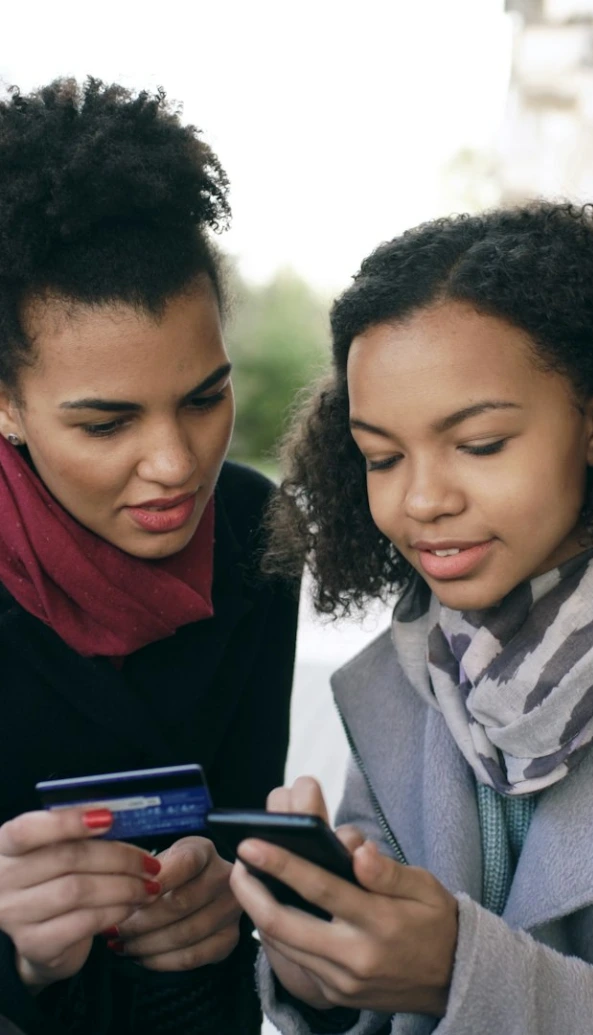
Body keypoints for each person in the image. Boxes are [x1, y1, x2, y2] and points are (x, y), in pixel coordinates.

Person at [230, 203, 593, 1034]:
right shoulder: (410, 676)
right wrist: (322, 972)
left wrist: (463, 975)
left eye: (478, 444)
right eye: (381, 456)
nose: (421, 500)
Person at [0, 79, 298, 1035]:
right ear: (6, 404)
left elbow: (245, 818)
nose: (176, 466)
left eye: (206, 398)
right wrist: (19, 952)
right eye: (107, 421)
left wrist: (230, 904)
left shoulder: (258, 530)